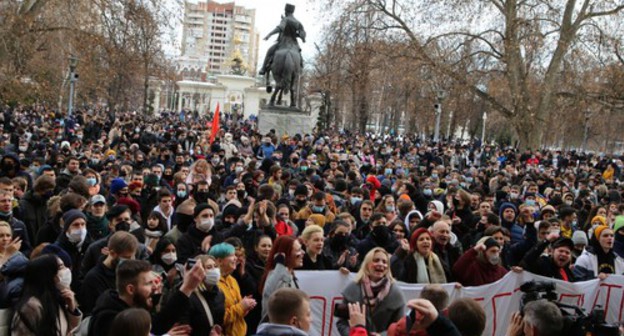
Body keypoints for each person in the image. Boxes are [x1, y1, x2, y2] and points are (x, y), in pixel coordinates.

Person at [88, 259, 204, 336]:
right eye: (148, 283)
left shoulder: (133, 304)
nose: (154, 287)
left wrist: (186, 288)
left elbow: (157, 324)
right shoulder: (109, 320)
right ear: (131, 289)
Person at [337, 247, 405, 336]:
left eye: (384, 262)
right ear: (367, 264)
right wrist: (353, 333)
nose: (380, 264)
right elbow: (341, 323)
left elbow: (399, 327)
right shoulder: (351, 289)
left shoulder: (396, 293)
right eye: (376, 260)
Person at [11, 254, 82, 335]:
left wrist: (72, 309)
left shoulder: (57, 298)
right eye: (61, 267)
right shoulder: (32, 306)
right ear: (48, 274)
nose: (67, 270)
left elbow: (69, 331)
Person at [208, 242, 256, 336]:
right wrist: (241, 307)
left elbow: (238, 312)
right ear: (219, 261)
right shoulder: (213, 284)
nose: (236, 258)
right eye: (231, 255)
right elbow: (218, 319)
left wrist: (246, 307)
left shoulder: (232, 280)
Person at [260, 235, 304, 321]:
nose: (302, 253)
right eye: (298, 250)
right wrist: (280, 266)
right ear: (286, 254)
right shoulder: (277, 278)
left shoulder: (289, 275)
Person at [180, 255, 225, 336]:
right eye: (209, 267)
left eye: (215, 266)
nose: (214, 270)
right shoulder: (189, 297)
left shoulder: (220, 294)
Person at [258, 4, 306, 76]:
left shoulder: (285, 19)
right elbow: (303, 35)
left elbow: (280, 28)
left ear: (286, 11)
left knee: (269, 51)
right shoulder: (298, 22)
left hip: (283, 42)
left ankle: (263, 69)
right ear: (292, 12)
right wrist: (300, 36)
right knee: (300, 56)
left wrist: (269, 34)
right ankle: (300, 69)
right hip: (294, 44)